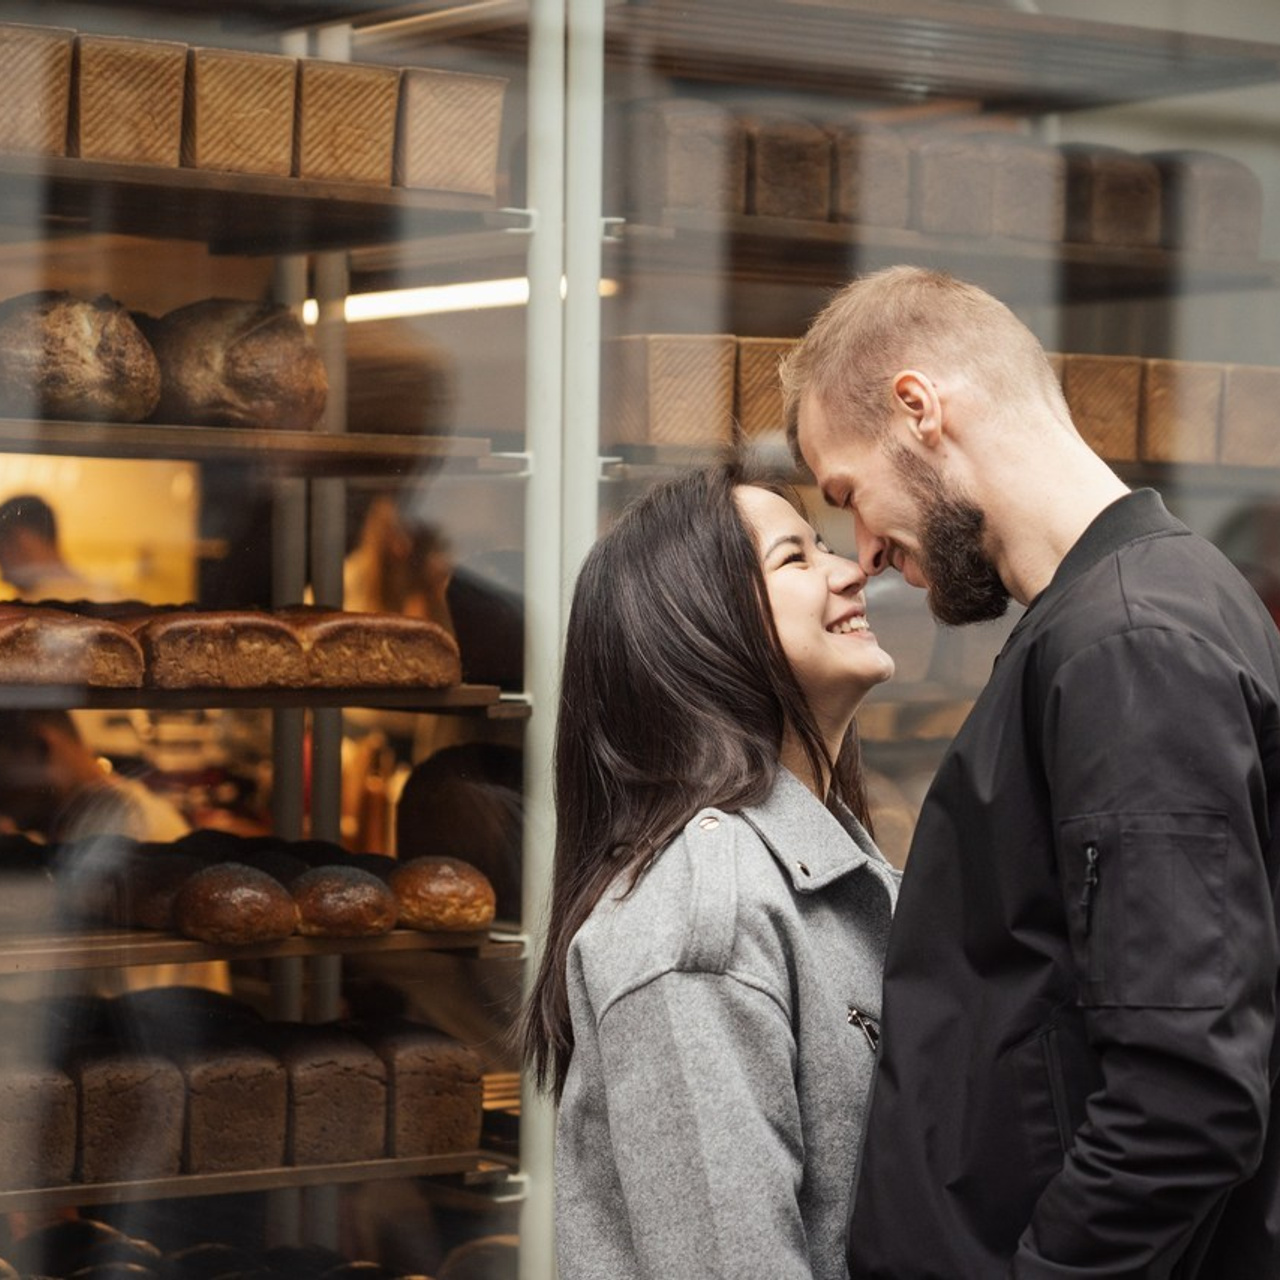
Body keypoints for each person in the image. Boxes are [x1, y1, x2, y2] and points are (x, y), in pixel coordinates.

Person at [783, 264, 1280, 1278]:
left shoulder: (1128, 640)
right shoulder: (1113, 619)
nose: (865, 549)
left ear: (916, 409)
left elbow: (1184, 1098)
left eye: (846, 494)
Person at [522, 458, 900, 1279]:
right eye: (796, 558)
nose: (851, 572)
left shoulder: (819, 873)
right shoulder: (701, 920)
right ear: (701, 630)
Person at [0, 493, 116, 602]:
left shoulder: (32, 606)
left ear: (20, 541)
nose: (2, 563)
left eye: (2, 547)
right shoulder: (110, 595)